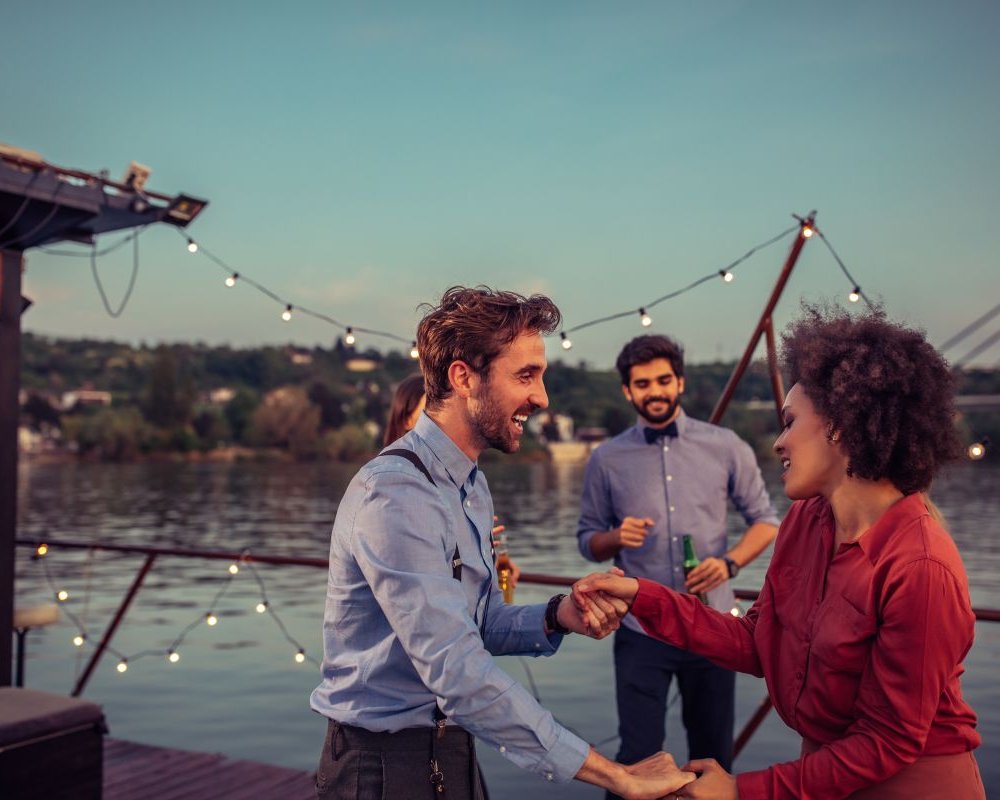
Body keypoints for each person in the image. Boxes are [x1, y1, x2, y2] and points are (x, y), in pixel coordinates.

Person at [574, 306, 985, 799]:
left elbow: (888, 742)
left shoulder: (920, 567)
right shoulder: (807, 522)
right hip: (824, 774)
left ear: (840, 426)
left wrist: (741, 791)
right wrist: (642, 595)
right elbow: (757, 642)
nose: (779, 442)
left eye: (790, 422)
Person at [311, 287, 695, 800]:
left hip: (452, 755)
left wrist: (560, 614)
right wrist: (616, 775)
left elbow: (481, 622)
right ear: (463, 378)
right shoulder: (396, 494)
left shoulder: (471, 486)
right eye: (525, 376)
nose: (542, 398)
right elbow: (457, 671)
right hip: (383, 768)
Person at [576, 334, 779, 795]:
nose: (655, 391)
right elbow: (588, 541)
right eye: (643, 383)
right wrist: (614, 537)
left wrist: (728, 564)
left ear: (680, 382)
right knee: (634, 760)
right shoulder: (606, 459)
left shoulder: (726, 446)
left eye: (664, 380)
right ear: (628, 391)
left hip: (713, 627)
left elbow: (766, 522)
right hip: (640, 632)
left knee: (713, 757)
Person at [384, 372, 522, 591]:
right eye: (429, 408)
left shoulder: (472, 482)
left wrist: (487, 560)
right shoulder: (392, 486)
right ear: (406, 419)